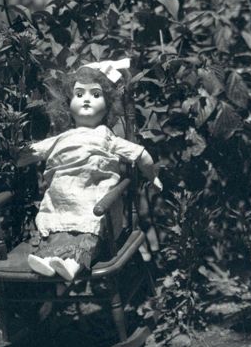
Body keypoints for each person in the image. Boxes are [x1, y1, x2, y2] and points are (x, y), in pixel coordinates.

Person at [17, 59, 160, 282]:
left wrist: (153, 176)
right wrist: (12, 153)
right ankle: (47, 261)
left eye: (95, 94)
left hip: (92, 203)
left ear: (108, 106)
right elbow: (29, 154)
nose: (86, 99)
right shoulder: (61, 138)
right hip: (60, 202)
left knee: (87, 232)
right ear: (68, 104)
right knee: (55, 231)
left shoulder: (106, 137)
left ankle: (73, 265)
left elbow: (140, 154)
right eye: (79, 94)